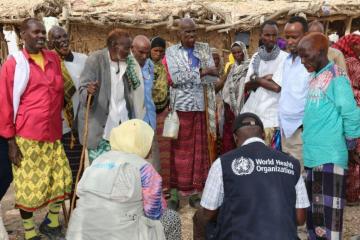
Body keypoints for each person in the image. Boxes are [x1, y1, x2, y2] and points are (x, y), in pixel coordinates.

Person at [0, 18, 72, 240]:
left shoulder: (53, 58)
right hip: (27, 136)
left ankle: (50, 223)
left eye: (43, 32)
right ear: (23, 35)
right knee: (29, 188)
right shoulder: (14, 64)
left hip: (53, 133)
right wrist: (10, 142)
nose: (41, 36)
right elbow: (4, 103)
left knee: (63, 179)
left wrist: (88, 88)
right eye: (35, 33)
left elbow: (66, 89)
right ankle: (30, 233)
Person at [193, 113, 309, 240]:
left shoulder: (222, 163)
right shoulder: (292, 164)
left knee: (200, 217)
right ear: (264, 135)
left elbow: (208, 213)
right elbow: (300, 218)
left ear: (235, 138)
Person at [66, 119, 181, 240]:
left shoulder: (99, 160)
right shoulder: (144, 169)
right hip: (121, 234)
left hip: (79, 232)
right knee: (171, 218)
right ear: (141, 143)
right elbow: (154, 214)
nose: (151, 147)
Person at [298, 32, 360, 240]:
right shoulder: (316, 76)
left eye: (306, 56)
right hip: (313, 158)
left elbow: (351, 114)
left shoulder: (337, 76)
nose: (302, 61)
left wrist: (349, 146)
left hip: (330, 158)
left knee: (329, 222)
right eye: (300, 56)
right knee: (315, 220)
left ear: (321, 52)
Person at [164, 18, 217, 209]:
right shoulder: (171, 52)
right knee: (178, 153)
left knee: (198, 153)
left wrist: (202, 73)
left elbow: (212, 76)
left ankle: (195, 193)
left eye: (194, 32)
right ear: (179, 34)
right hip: (181, 108)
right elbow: (176, 78)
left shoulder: (204, 48)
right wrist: (201, 72)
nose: (192, 36)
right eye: (187, 32)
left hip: (200, 106)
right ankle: (176, 194)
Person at [77, 29, 142, 163]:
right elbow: (83, 92)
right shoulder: (95, 60)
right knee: (100, 174)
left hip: (122, 127)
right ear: (113, 46)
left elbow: (135, 92)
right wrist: (89, 92)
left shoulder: (129, 63)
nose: (129, 52)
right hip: (100, 130)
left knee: (120, 172)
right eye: (126, 48)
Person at [48, 26, 87, 201]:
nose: (63, 40)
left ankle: (75, 206)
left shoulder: (82, 60)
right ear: (50, 42)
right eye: (57, 37)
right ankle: (58, 210)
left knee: (77, 166)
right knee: (59, 170)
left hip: (77, 123)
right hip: (56, 124)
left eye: (65, 36)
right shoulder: (48, 62)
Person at [241, 20, 288, 149]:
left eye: (274, 35)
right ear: (261, 35)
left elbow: (276, 87)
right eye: (267, 35)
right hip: (253, 113)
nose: (271, 39)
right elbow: (247, 86)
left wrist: (256, 79)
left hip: (272, 118)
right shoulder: (256, 57)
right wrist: (266, 79)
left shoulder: (284, 58)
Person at [275, 16, 310, 169]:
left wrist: (304, 126)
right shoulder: (288, 61)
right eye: (287, 37)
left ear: (306, 35)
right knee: (290, 173)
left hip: (300, 129)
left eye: (294, 37)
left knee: (300, 174)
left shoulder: (311, 63)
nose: (289, 41)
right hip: (285, 129)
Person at [332, 34, 360, 205]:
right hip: (354, 106)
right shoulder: (352, 63)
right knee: (356, 154)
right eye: (357, 45)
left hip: (341, 108)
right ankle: (353, 194)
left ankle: (345, 193)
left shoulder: (337, 62)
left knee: (348, 152)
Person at [131, 35, 160, 171]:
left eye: (146, 53)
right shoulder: (127, 65)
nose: (144, 56)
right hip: (133, 121)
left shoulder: (149, 65)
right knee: (134, 161)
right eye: (140, 52)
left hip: (150, 120)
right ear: (132, 49)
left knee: (150, 162)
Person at [218, 41, 249, 153]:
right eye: (234, 53)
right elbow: (226, 86)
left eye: (239, 52)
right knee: (229, 137)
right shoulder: (232, 68)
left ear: (244, 51)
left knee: (242, 134)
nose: (237, 55)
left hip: (244, 106)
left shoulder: (249, 67)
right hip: (229, 109)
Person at [150, 36, 171, 189]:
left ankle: (165, 184)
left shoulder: (162, 67)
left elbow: (165, 87)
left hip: (163, 111)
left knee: (164, 150)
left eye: (161, 51)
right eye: (156, 50)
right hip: (150, 112)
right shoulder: (147, 67)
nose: (159, 54)